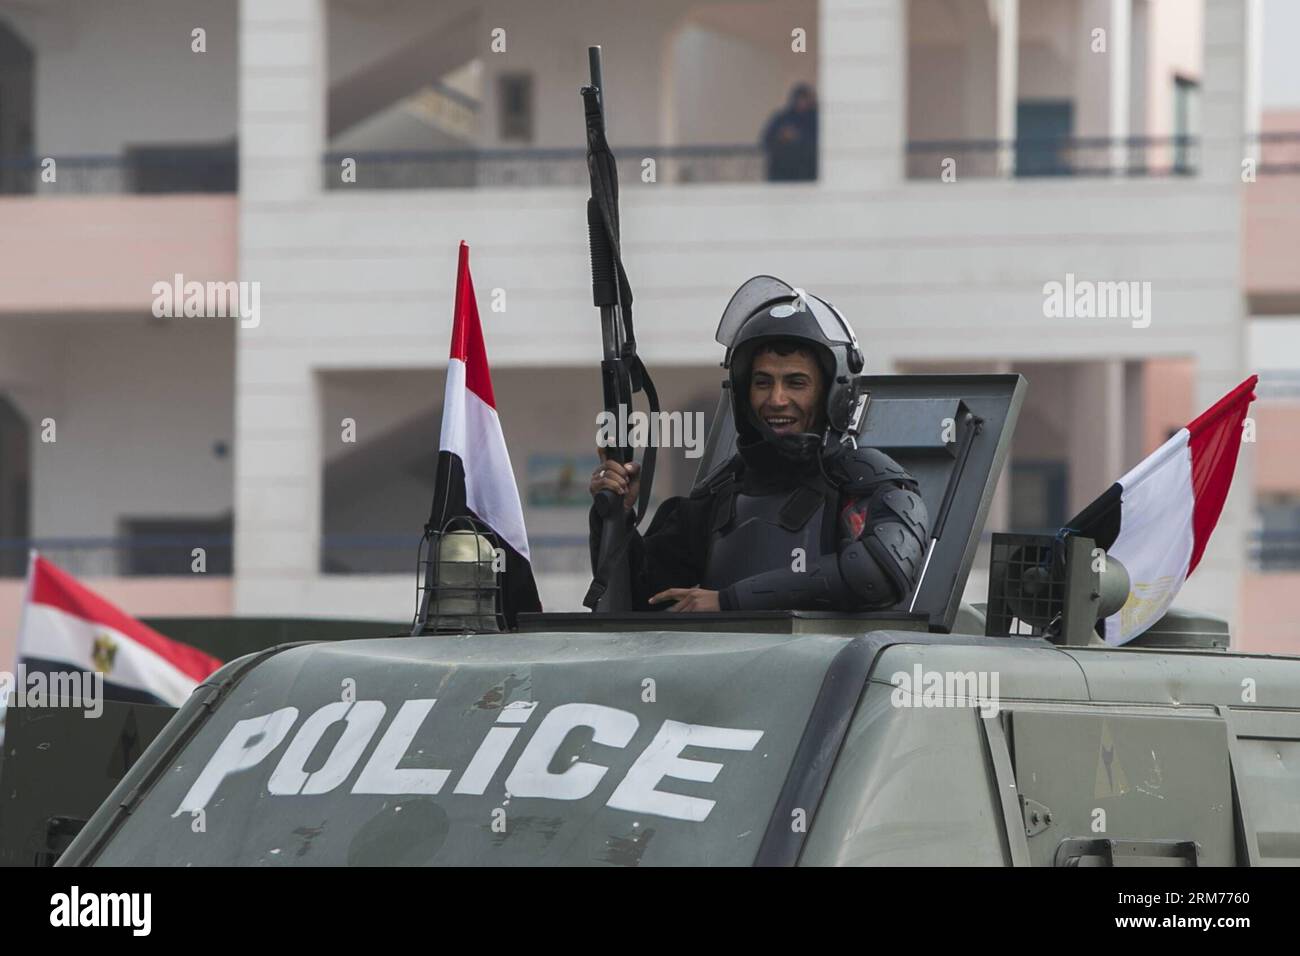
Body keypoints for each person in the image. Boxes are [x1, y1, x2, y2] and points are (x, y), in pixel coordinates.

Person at [587, 276, 929, 613]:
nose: (776, 399)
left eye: (796, 383)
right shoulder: (718, 498)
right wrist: (616, 517)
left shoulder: (863, 484)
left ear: (832, 394)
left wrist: (729, 601)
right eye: (762, 382)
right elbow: (638, 601)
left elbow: (876, 575)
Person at [760, 84, 818, 182]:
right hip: (781, 175)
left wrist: (799, 137)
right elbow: (766, 140)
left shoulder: (816, 119)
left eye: (805, 99)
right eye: (800, 99)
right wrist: (782, 136)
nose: (802, 102)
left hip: (807, 175)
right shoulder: (782, 118)